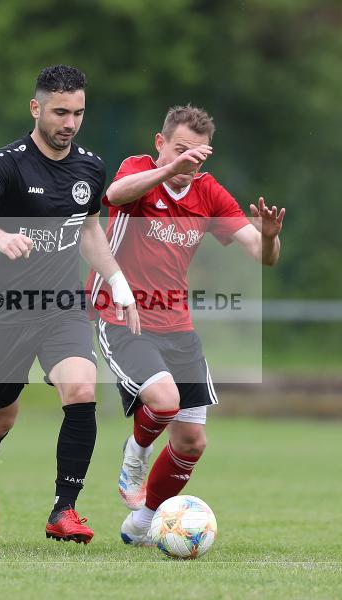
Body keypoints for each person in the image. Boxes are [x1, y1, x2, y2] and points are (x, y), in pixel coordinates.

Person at [0, 65, 139, 545]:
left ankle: (64, 509)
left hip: (63, 305)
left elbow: (89, 230)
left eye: (78, 113)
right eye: (59, 112)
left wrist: (117, 280)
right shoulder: (8, 163)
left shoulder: (90, 167)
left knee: (81, 389)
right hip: (8, 309)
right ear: (36, 108)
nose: (69, 123)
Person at [84, 104, 285, 545]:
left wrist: (269, 237)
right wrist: (169, 169)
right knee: (164, 400)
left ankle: (143, 522)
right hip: (122, 316)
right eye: (180, 151)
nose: (188, 163)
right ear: (160, 143)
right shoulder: (139, 170)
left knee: (193, 440)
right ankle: (135, 454)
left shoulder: (209, 193)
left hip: (176, 325)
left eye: (197, 155)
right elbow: (114, 194)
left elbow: (261, 254)